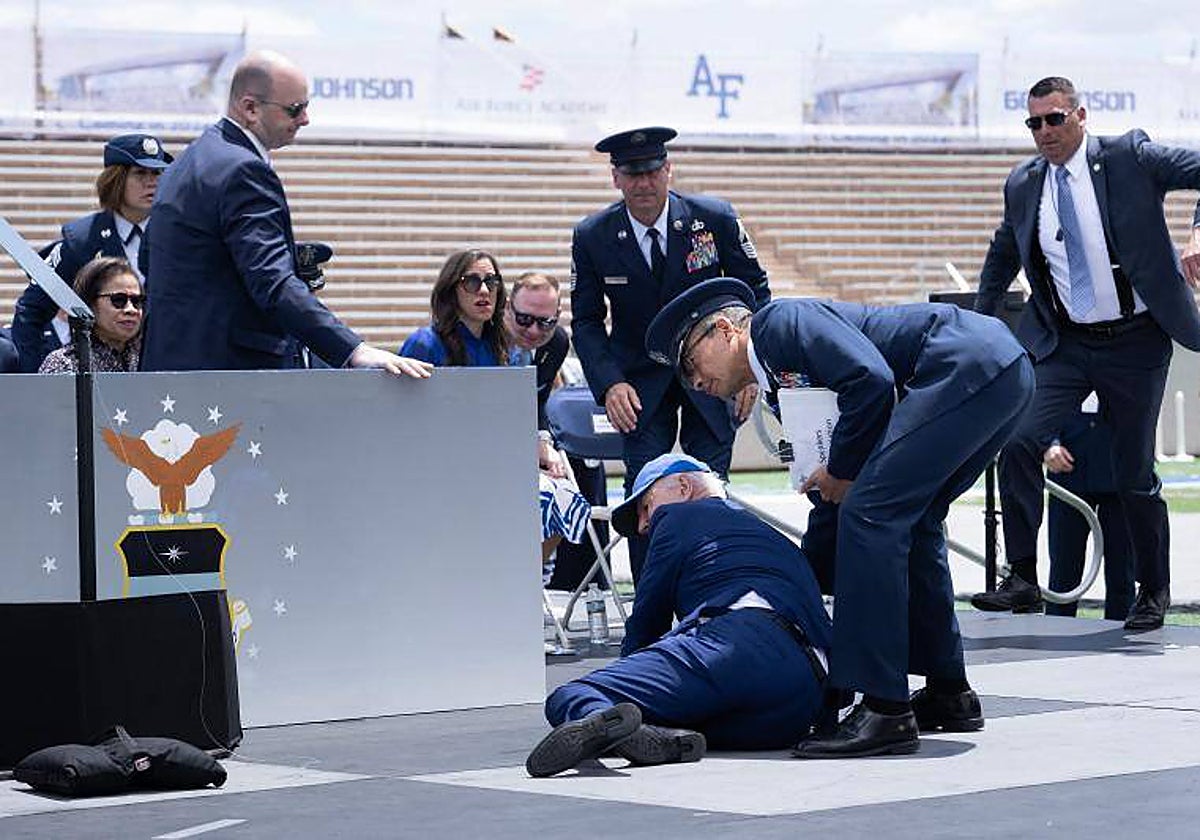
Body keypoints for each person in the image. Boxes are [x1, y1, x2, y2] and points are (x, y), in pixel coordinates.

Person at [644, 278, 1034, 758]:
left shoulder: (778, 325)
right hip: (995, 369)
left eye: (689, 363)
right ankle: (948, 690)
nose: (694, 383)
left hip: (963, 364)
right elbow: (833, 476)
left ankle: (885, 711)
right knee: (912, 521)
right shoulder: (777, 384)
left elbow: (869, 380)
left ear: (724, 330)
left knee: (872, 517)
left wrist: (844, 473)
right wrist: (810, 570)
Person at [969, 76, 1200, 632]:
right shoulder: (1023, 184)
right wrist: (977, 323)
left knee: (1133, 473)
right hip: (1065, 342)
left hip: (1136, 339)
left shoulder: (1129, 156)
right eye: (1034, 123)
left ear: (1080, 115)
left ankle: (1154, 588)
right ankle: (1023, 577)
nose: (1044, 132)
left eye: (1054, 118)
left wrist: (1199, 234)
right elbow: (1003, 252)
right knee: (1019, 439)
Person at [526, 453, 831, 778]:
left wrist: (629, 675)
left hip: (738, 642)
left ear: (683, 486)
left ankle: (611, 722)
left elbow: (647, 621)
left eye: (645, 507)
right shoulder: (774, 538)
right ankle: (650, 736)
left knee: (572, 695)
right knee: (681, 717)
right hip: (805, 693)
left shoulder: (678, 517)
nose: (644, 526)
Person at [140, 50, 430, 379]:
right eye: (295, 109)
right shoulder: (242, 170)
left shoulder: (188, 160)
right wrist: (353, 349)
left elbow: (149, 260)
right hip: (230, 376)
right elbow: (272, 282)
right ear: (250, 108)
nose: (305, 119)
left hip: (171, 367)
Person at [570, 125, 770, 582]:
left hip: (717, 377)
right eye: (631, 173)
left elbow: (755, 293)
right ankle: (652, 608)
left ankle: (716, 592)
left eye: (652, 170)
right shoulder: (592, 236)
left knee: (710, 490)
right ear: (615, 178)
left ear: (668, 170)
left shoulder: (713, 218)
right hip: (639, 386)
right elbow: (585, 321)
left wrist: (750, 368)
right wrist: (610, 383)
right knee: (647, 495)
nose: (644, 183)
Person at [11, 133, 170, 372]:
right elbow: (31, 310)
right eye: (140, 173)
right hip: (97, 376)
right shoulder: (83, 239)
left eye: (157, 173)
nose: (152, 182)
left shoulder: (176, 237)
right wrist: (33, 380)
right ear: (115, 180)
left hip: (161, 376)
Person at [505, 271, 611, 590]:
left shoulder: (558, 342)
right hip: (479, 450)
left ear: (558, 316)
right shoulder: (485, 338)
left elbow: (537, 401)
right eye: (523, 319)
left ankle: (525, 578)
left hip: (520, 443)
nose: (534, 330)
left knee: (567, 494)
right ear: (507, 309)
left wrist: (543, 442)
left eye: (545, 322)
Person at [1044, 402, 1136, 621]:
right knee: (1063, 569)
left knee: (1122, 571)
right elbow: (1046, 401)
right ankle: (1056, 631)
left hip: (1120, 473)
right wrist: (1048, 443)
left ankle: (1120, 634)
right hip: (1068, 473)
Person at [400, 250, 510, 366]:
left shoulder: (500, 347)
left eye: (491, 281)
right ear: (451, 290)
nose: (484, 290)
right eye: (471, 282)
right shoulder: (424, 344)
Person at [38, 257, 144, 374]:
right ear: (89, 304)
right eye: (118, 300)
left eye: (137, 301)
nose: (131, 309)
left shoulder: (147, 362)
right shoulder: (65, 364)